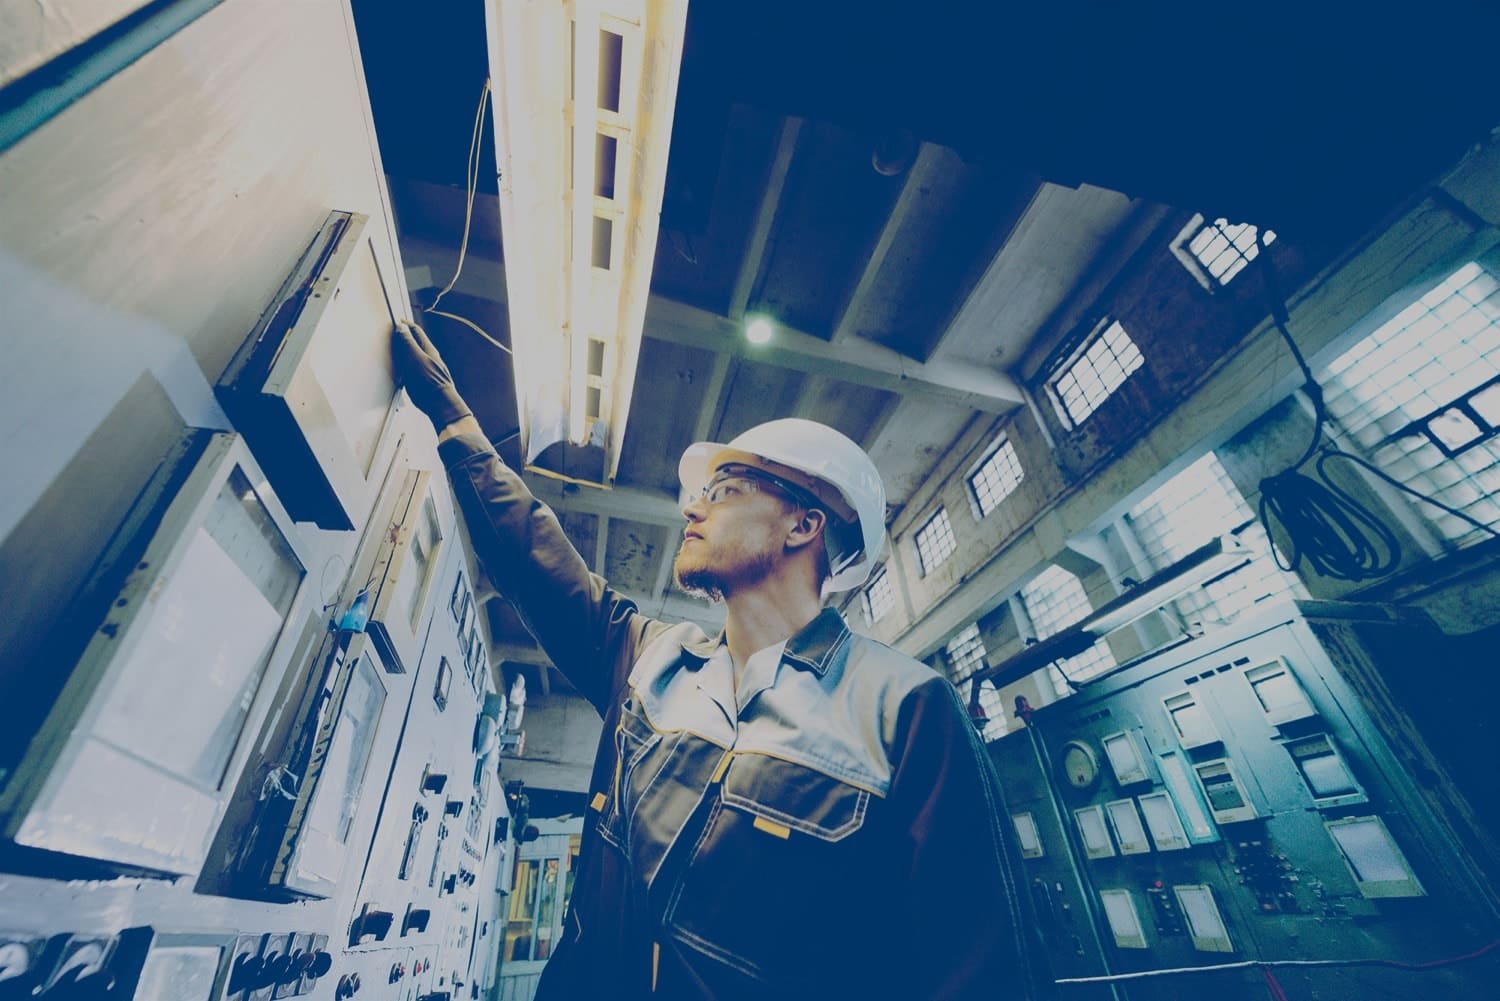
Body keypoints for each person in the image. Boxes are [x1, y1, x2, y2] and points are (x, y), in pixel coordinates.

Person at [394, 322, 1054, 1000]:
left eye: (727, 488)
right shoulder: (652, 659)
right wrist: (454, 420)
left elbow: (985, 971)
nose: (691, 507)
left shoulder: (907, 713)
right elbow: (534, 557)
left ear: (805, 524)